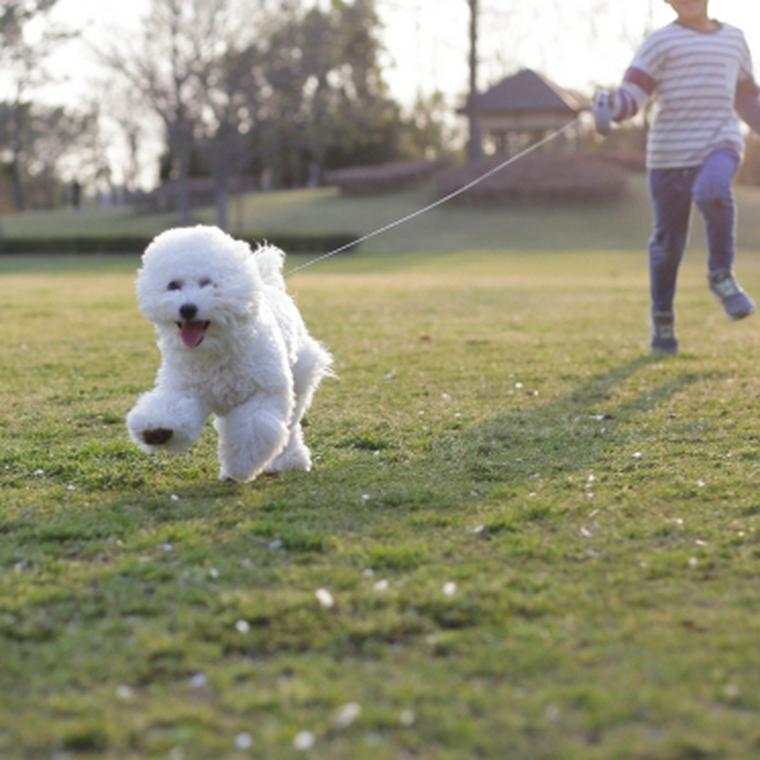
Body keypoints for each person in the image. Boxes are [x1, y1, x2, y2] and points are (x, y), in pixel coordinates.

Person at [593, 0, 758, 355]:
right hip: (668, 155)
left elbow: (747, 98)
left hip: (720, 142)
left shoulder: (735, 40)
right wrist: (610, 108)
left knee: (714, 189)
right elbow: (632, 96)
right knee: (667, 243)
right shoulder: (660, 43)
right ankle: (663, 316)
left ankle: (721, 276)